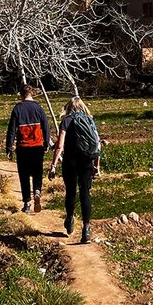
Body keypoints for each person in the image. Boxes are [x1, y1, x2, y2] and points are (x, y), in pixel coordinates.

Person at [48, 97, 101, 244]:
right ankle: (86, 229)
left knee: (70, 191)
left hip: (70, 161)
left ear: (68, 107)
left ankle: (70, 218)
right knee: (85, 192)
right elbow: (96, 143)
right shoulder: (89, 120)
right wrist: (97, 165)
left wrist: (53, 165)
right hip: (86, 160)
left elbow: (60, 145)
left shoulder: (66, 121)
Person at [6, 84, 51, 214]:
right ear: (32, 93)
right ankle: (37, 191)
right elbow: (46, 127)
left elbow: (11, 130)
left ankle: (27, 203)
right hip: (37, 146)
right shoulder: (38, 108)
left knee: (24, 175)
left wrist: (9, 147)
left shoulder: (17, 109)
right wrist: (46, 143)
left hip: (23, 147)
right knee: (37, 172)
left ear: (21, 94)